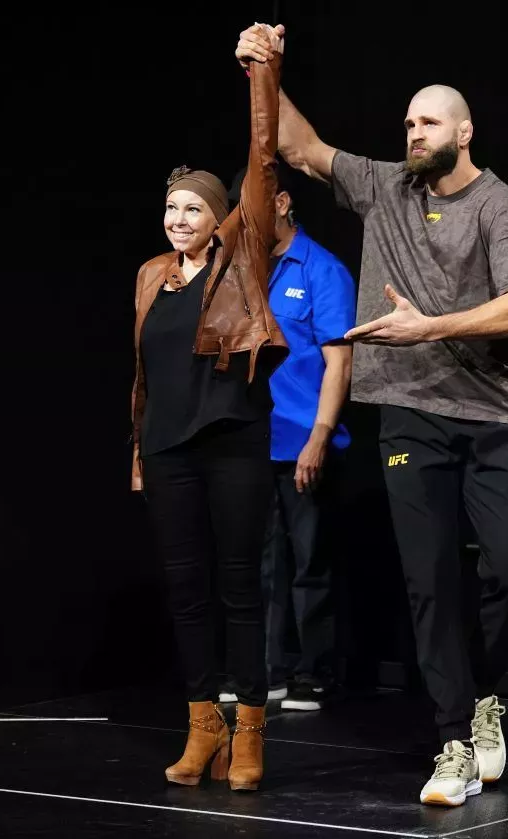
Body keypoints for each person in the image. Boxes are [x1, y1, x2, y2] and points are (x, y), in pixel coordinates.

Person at [237, 25, 508, 807]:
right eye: (408, 123)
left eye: (429, 123)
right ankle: (452, 737)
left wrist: (429, 326)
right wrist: (265, 70)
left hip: (491, 415)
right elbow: (300, 147)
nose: (413, 133)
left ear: (465, 132)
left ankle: (482, 695)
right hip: (408, 412)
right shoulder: (384, 187)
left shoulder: (500, 207)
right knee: (429, 582)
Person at [130, 25, 288, 793]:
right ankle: (202, 726)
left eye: (194, 207)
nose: (179, 217)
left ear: (219, 216)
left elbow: (263, 161)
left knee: (238, 586)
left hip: (231, 440)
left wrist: (262, 70)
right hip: (165, 450)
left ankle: (250, 729)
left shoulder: (242, 255)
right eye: (171, 207)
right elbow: (143, 377)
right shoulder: (150, 275)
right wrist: (139, 451)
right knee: (185, 588)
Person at [217, 161, 355, 712]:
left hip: (304, 439)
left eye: (254, 205)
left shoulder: (321, 270)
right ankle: (266, 670)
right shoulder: (242, 271)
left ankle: (314, 671)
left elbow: (339, 364)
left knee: (310, 560)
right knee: (258, 562)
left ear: (281, 203)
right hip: (253, 441)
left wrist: (320, 435)